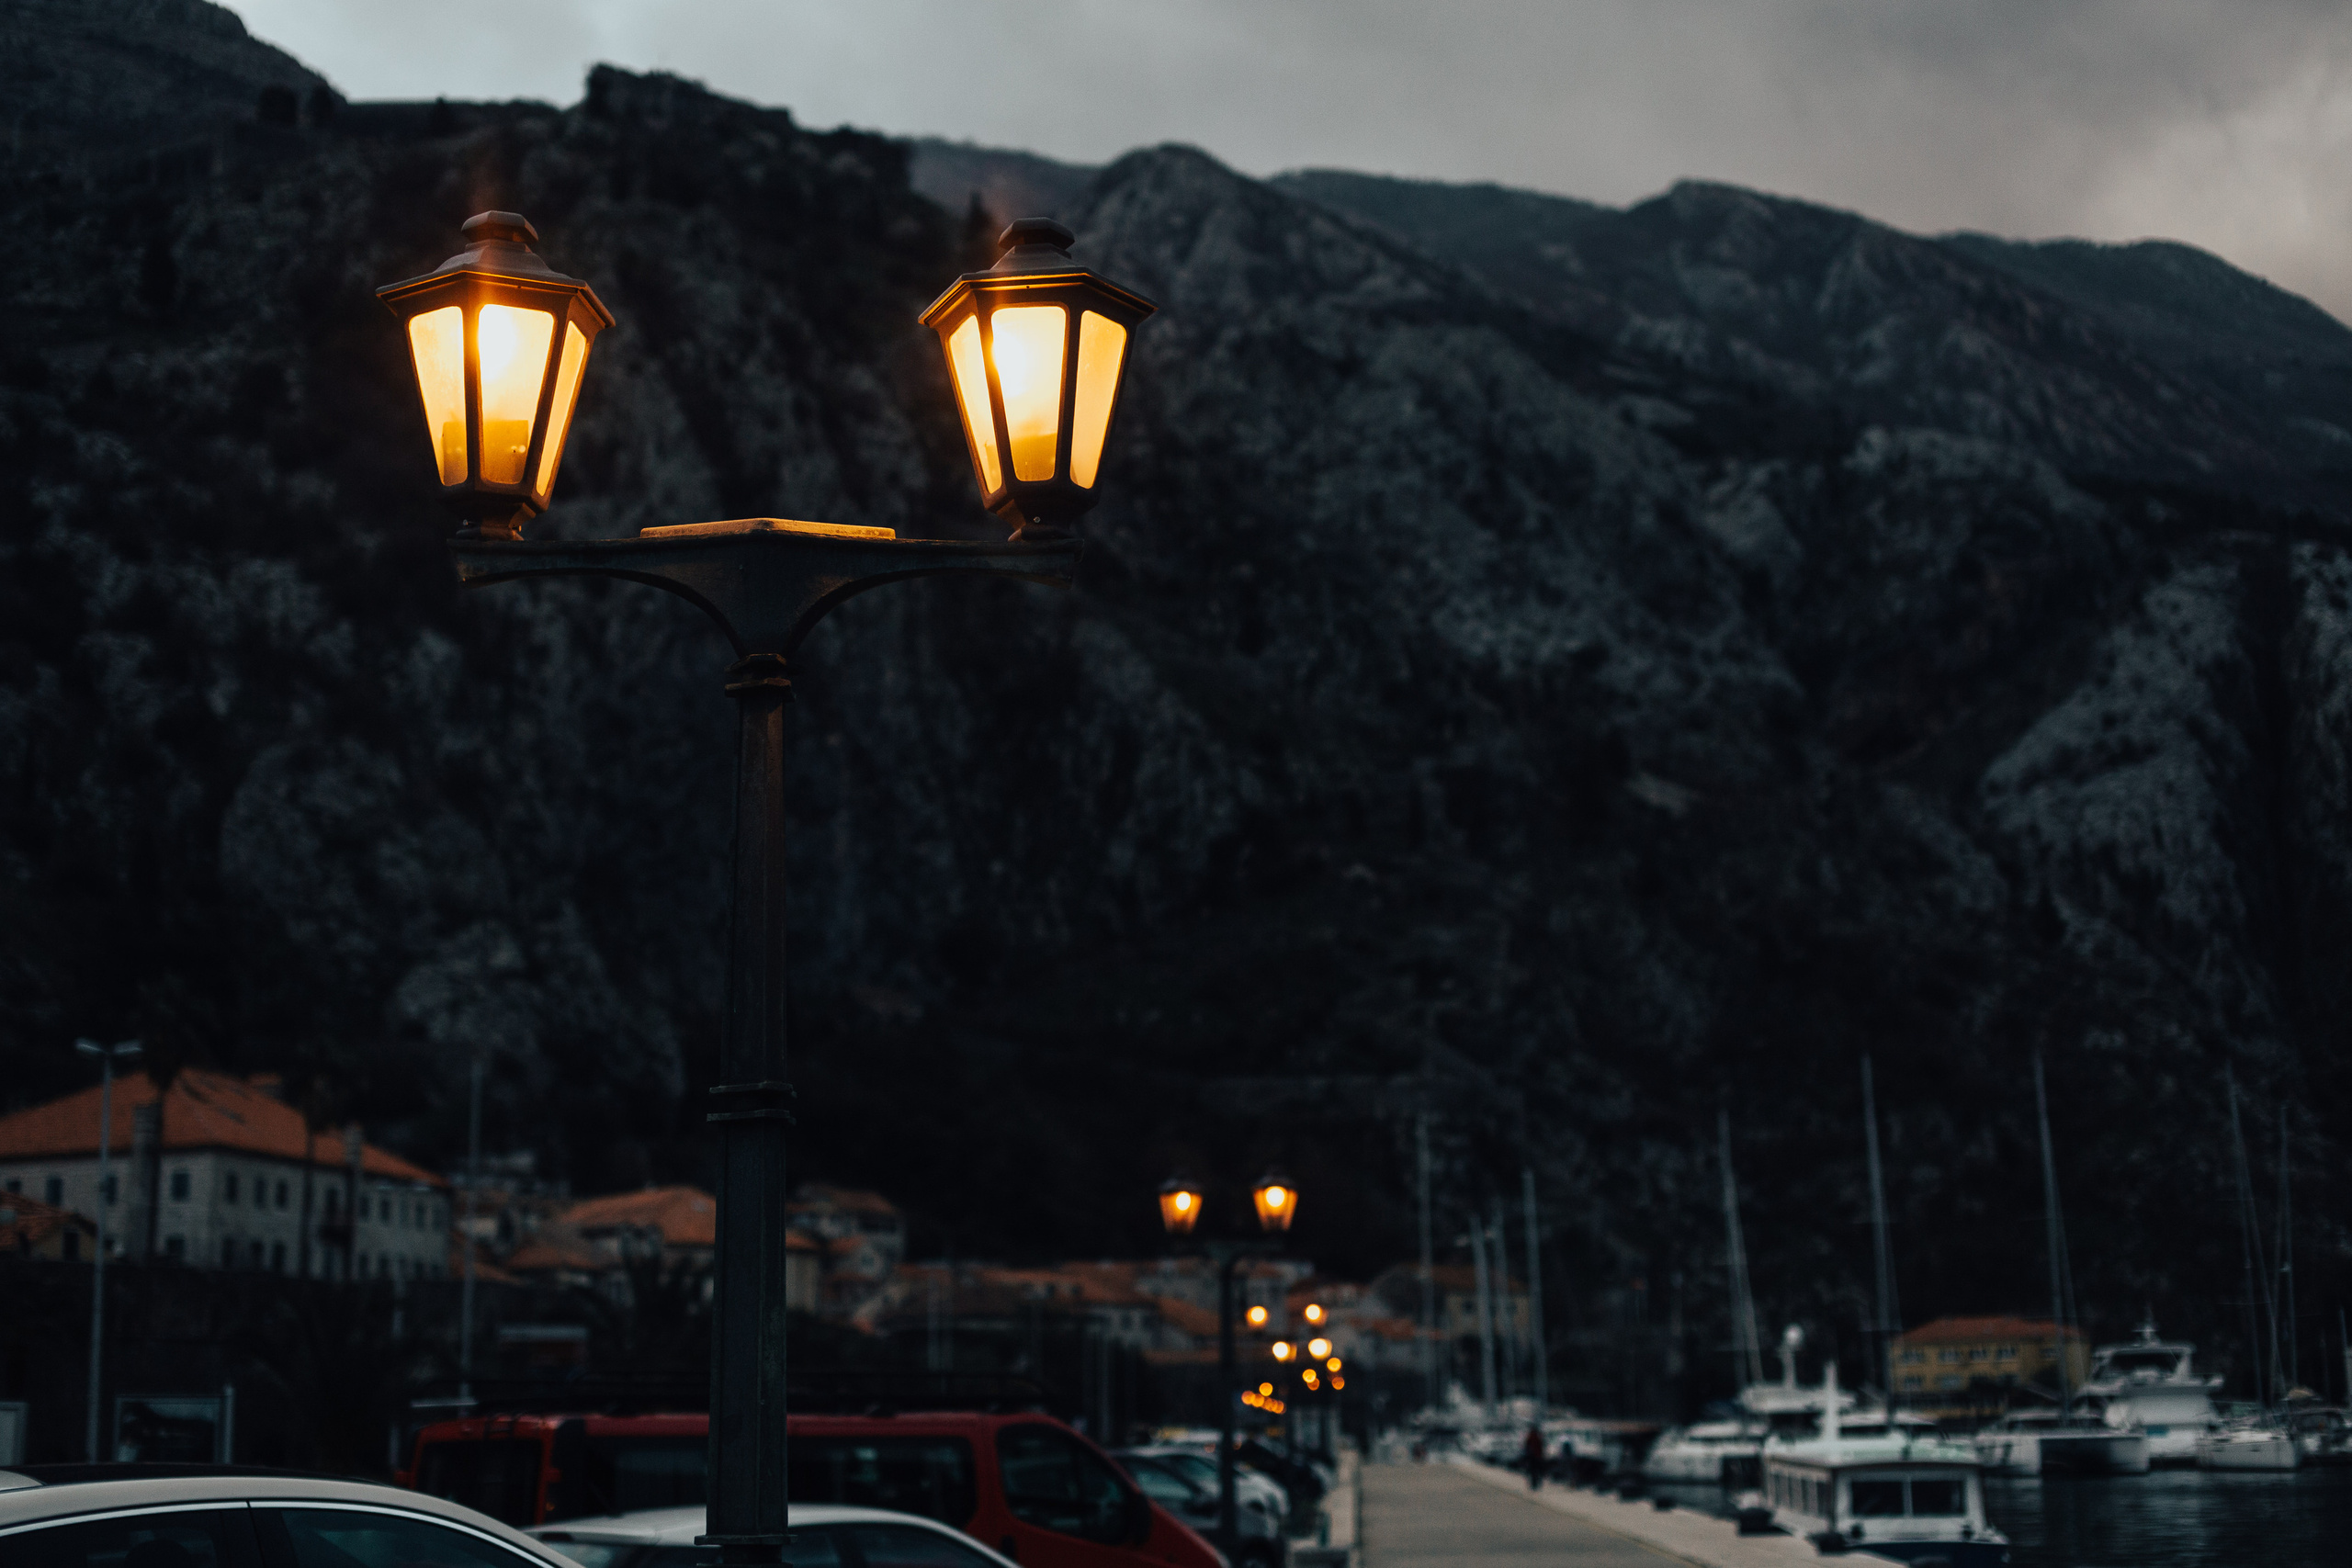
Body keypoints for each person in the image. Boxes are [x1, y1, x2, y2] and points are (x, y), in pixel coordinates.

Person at [1522, 1424, 1546, 1490]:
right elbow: (1541, 1447)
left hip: (1533, 1457)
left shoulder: (1530, 1437)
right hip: (1536, 1457)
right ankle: (1536, 1484)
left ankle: (1534, 1484)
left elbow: (1526, 1447)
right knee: (1537, 1471)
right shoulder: (1538, 1437)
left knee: (1533, 1471)